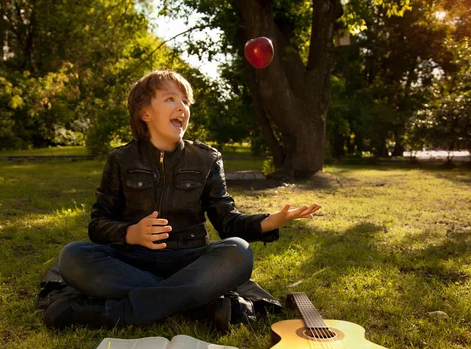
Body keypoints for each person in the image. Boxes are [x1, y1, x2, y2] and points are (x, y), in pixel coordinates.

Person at [36, 69, 321, 331]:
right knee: (73, 256)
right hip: (132, 263)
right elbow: (98, 225)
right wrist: (130, 233)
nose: (181, 107)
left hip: (188, 261)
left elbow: (227, 222)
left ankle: (114, 312)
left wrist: (268, 222)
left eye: (185, 101)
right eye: (170, 99)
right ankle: (198, 307)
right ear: (144, 113)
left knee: (239, 251)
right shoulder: (120, 159)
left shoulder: (207, 159)